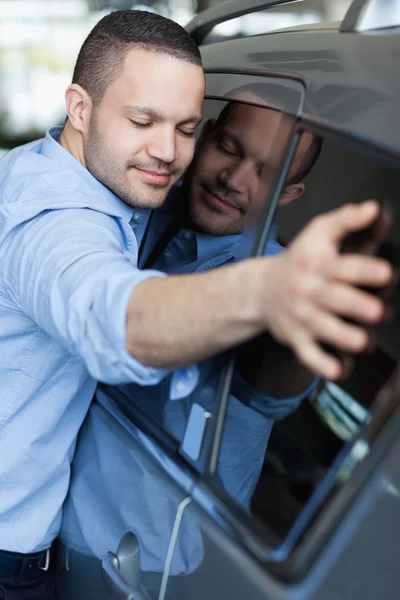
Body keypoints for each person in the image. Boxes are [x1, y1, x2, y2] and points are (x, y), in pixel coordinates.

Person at [0, 9, 391, 600]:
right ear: (80, 109)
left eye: (183, 128)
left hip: (152, 565)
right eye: (143, 120)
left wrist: (287, 300)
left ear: (290, 194)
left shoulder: (109, 182)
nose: (166, 151)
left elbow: (271, 382)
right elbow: (108, 311)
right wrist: (266, 291)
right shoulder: (79, 215)